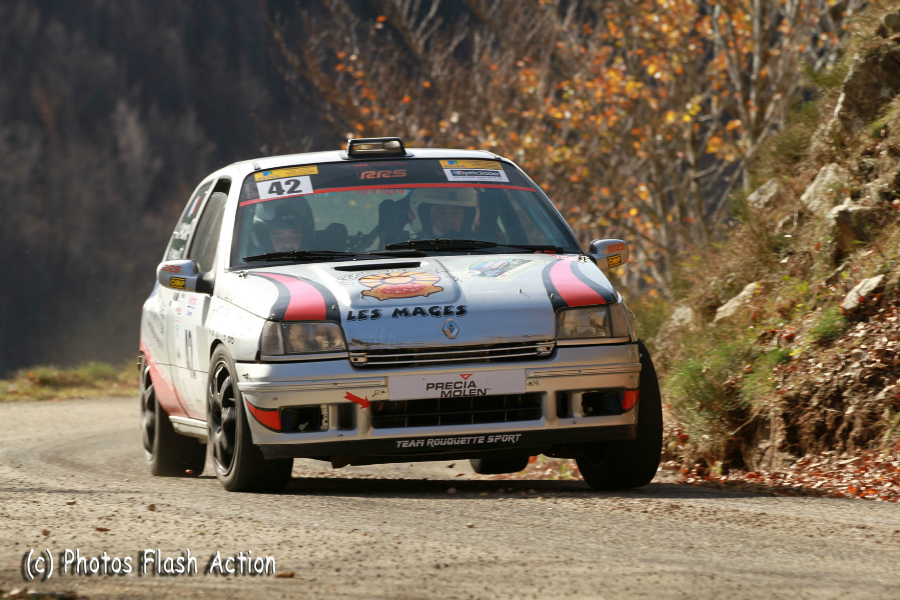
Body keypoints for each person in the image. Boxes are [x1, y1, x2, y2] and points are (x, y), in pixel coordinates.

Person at [406, 187, 479, 239]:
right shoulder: (403, 251)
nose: (449, 218)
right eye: (441, 212)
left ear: (467, 217)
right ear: (425, 216)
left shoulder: (486, 247)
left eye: (456, 213)